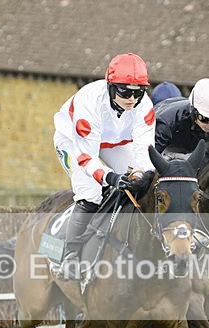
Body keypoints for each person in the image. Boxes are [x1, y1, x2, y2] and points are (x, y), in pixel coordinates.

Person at [53, 52, 155, 280]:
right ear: (110, 86)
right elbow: (87, 157)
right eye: (125, 92)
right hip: (74, 143)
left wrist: (142, 176)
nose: (132, 99)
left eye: (138, 93)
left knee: (143, 182)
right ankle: (70, 255)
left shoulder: (144, 106)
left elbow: (144, 151)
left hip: (114, 143)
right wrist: (110, 178)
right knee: (92, 192)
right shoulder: (89, 103)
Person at [154, 78, 209, 156]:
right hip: (164, 151)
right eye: (205, 119)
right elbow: (150, 157)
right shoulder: (166, 122)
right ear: (193, 110)